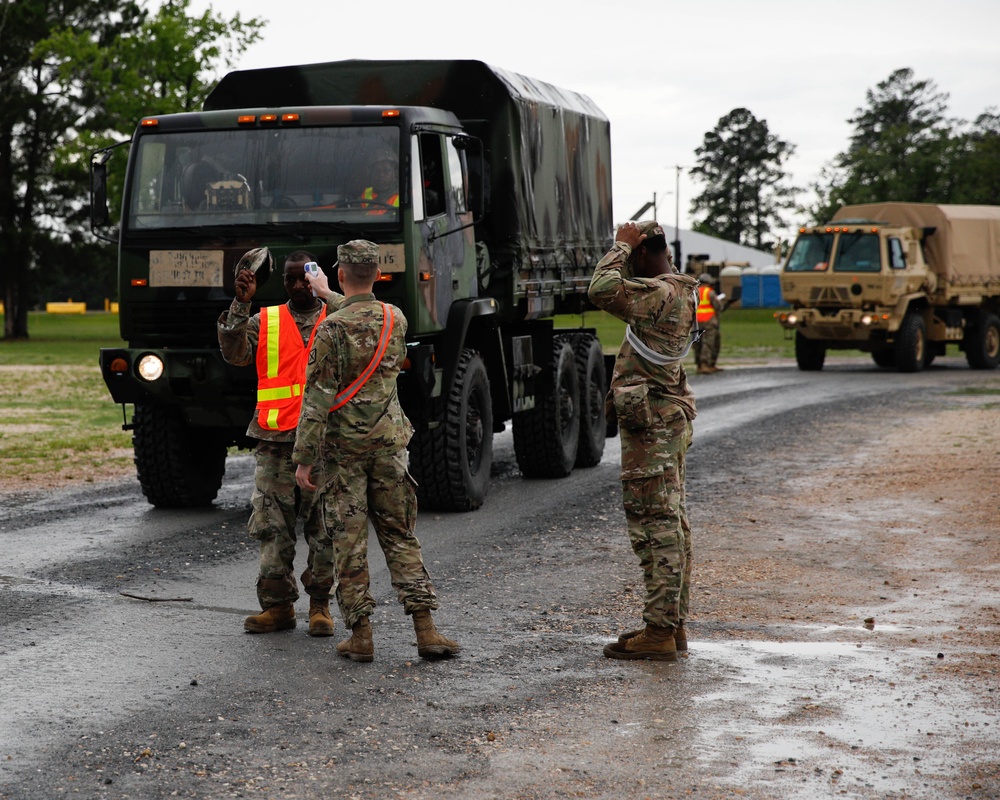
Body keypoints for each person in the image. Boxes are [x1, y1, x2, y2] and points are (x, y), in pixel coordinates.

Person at [293, 240, 460, 663]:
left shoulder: (330, 330)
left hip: (343, 453)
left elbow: (317, 399)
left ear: (342, 273)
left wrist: (304, 458)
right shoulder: (395, 319)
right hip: (389, 446)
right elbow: (362, 313)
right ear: (379, 275)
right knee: (400, 535)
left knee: (349, 543)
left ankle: (362, 635)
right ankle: (426, 630)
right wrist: (329, 292)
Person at [588, 220, 699, 661]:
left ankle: (659, 631)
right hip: (667, 419)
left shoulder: (660, 294)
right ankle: (671, 625)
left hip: (652, 427)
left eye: (630, 257)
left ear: (640, 255)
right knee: (672, 522)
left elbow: (600, 289)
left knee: (655, 525)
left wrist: (618, 246)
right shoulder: (681, 289)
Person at [218, 249, 344, 636]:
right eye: (289, 279)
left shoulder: (337, 318)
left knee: (323, 528)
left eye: (303, 277)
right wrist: (240, 304)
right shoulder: (266, 320)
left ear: (315, 276)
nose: (297, 285)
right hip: (275, 442)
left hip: (324, 443)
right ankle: (277, 607)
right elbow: (234, 353)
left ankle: (320, 606)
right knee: (272, 527)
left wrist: (330, 294)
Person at [694, 272, 724, 374]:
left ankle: (699, 365)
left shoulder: (694, 292)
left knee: (697, 343)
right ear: (708, 282)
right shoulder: (709, 292)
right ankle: (706, 364)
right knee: (709, 343)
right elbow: (718, 306)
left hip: (696, 322)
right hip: (709, 321)